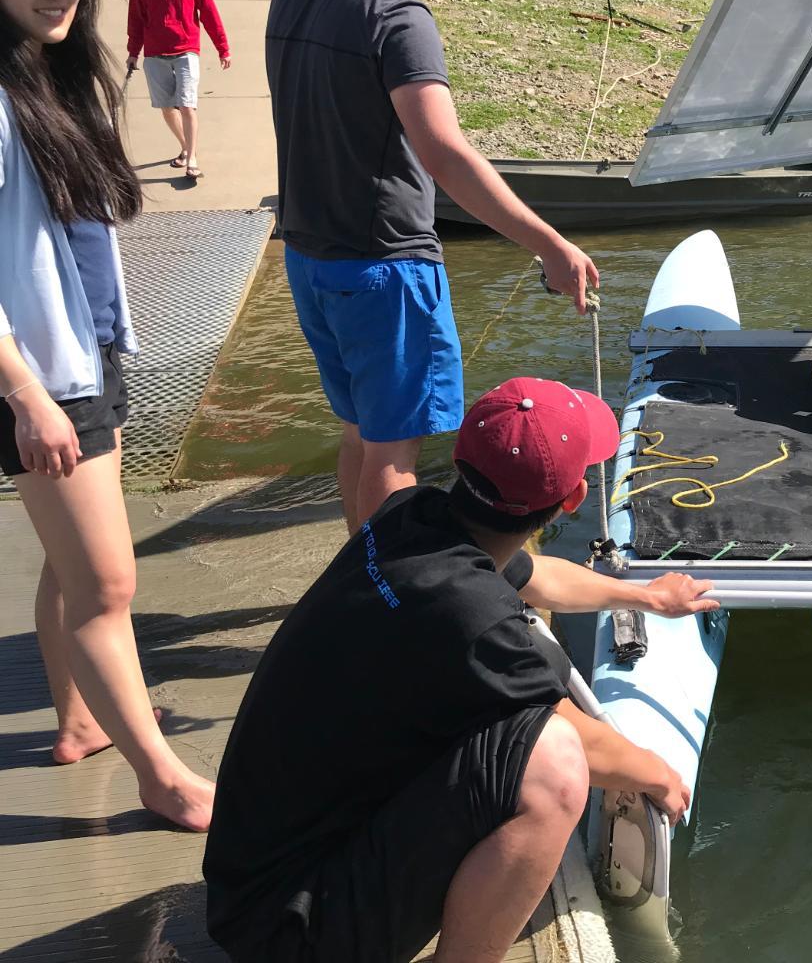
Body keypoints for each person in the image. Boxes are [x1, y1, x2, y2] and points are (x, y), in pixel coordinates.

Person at [203, 376, 718, 963]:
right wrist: (655, 772)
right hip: (296, 932)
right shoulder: (476, 620)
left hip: (247, 886)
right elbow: (581, 741)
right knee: (555, 764)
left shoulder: (412, 516)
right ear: (572, 498)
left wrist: (646, 598)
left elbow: (537, 574)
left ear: (461, 459)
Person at [266, 0, 600, 534]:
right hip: (385, 266)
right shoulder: (397, 15)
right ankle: (391, 614)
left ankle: (358, 583)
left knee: (361, 430)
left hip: (309, 257)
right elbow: (443, 152)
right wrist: (550, 244)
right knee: (395, 456)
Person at [0, 0, 214, 830]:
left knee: (71, 565)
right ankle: (160, 776)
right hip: (38, 377)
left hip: (87, 354)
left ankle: (80, 720)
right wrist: (27, 398)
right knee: (106, 586)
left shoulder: (51, 80)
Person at [126, 0, 230, 181]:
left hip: (186, 50)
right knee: (166, 108)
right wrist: (133, 51)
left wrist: (222, 48)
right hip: (154, 52)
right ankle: (185, 146)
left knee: (186, 105)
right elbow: (136, 18)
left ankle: (192, 158)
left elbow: (209, 13)